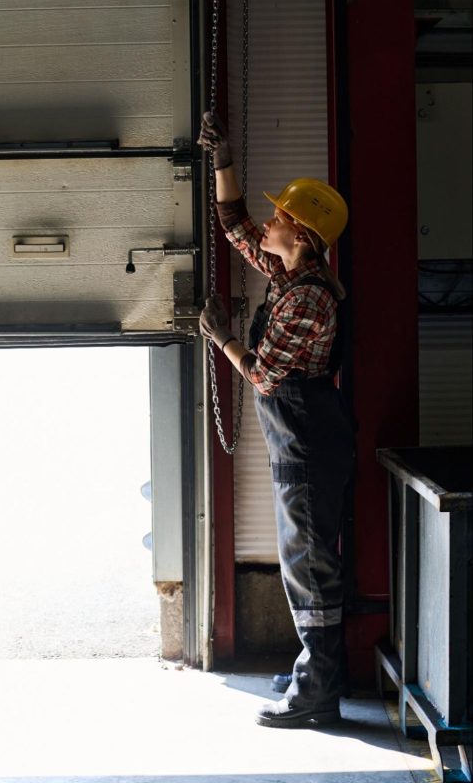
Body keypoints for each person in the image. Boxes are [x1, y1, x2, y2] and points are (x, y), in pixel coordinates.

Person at [197, 111, 354, 728]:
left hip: (309, 443)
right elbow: (234, 223)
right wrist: (222, 160)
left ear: (303, 237)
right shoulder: (291, 276)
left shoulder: (308, 296)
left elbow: (264, 375)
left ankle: (317, 695)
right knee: (302, 557)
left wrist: (222, 338)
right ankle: (313, 675)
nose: (270, 222)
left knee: (309, 563)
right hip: (302, 439)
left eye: (281, 219)